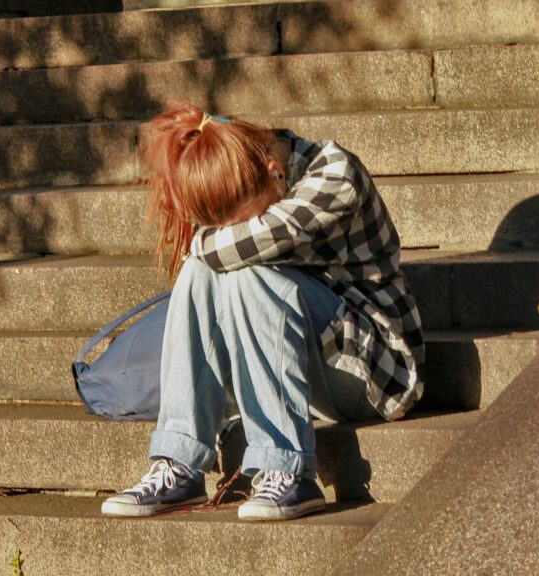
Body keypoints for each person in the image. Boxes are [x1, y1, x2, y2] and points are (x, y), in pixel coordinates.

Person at [101, 101, 425, 521]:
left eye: (245, 218)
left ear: (275, 171)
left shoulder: (334, 173)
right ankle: (179, 460)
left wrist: (203, 244)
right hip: (304, 368)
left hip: (375, 370)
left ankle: (287, 471)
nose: (236, 229)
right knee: (206, 273)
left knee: (242, 269)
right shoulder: (251, 179)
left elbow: (228, 247)